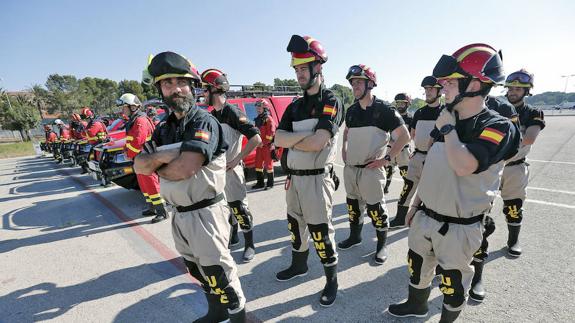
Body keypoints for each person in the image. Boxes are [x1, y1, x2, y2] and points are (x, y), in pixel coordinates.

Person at [387, 43, 520, 322]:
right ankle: (416, 305)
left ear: (476, 83)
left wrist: (448, 129)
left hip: (460, 227)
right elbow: (432, 167)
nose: (443, 85)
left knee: (452, 283)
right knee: (418, 266)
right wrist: (416, 203)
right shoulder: (446, 118)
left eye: (451, 81)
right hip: (426, 216)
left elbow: (464, 165)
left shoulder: (497, 126)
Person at [134, 51, 246, 322]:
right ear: (160, 90)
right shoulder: (163, 128)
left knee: (220, 275)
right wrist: (167, 156)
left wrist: (157, 161)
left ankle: (236, 316)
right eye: (167, 84)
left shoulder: (203, 121)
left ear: (192, 86)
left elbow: (186, 168)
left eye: (181, 82)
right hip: (180, 215)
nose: (175, 89)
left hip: (206, 214)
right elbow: (139, 166)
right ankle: (216, 312)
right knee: (197, 270)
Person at [274, 35, 344, 307]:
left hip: (317, 180)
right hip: (294, 179)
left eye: (304, 69)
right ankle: (299, 265)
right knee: (295, 227)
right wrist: (306, 140)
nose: (299, 74)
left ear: (318, 68)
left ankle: (331, 281)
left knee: (320, 231)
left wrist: (297, 140)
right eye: (296, 70)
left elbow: (318, 143)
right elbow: (278, 139)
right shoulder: (294, 106)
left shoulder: (332, 100)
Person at [338, 64, 410, 264]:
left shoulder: (384, 110)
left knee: (376, 209)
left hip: (371, 171)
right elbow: (346, 131)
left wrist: (386, 159)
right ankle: (355, 237)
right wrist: (343, 149)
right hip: (351, 169)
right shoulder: (351, 110)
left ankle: (381, 245)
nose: (355, 86)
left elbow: (403, 136)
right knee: (353, 206)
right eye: (353, 83)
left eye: (359, 82)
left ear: (370, 84)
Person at [201, 68, 262, 263]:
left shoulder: (232, 112)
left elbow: (256, 138)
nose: (202, 94)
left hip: (232, 172)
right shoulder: (211, 115)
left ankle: (250, 245)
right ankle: (233, 236)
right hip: (217, 172)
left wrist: (237, 159)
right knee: (224, 208)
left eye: (204, 90)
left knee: (239, 208)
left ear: (215, 90)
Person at [500, 69, 544, 257]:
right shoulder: (496, 108)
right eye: (511, 87)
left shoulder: (533, 113)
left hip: (514, 167)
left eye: (518, 88)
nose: (513, 91)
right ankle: (477, 246)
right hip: (491, 166)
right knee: (478, 207)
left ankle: (513, 240)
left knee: (513, 206)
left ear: (527, 91)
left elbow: (529, 138)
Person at [390, 77, 442, 228]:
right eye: (426, 89)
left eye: (431, 88)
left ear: (439, 91)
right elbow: (412, 135)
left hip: (436, 159)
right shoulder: (419, 113)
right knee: (407, 188)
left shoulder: (446, 113)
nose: (427, 92)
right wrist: (416, 151)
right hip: (418, 157)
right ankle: (400, 219)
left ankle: (428, 223)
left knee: (432, 193)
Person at [116, 93, 170, 224]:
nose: (122, 110)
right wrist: (126, 150)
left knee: (151, 184)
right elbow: (131, 141)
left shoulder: (140, 120)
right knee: (144, 185)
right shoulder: (134, 120)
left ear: (133, 107)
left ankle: (162, 211)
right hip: (139, 158)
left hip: (145, 158)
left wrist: (129, 154)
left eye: (124, 107)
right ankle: (152, 207)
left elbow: (137, 142)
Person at [384, 93, 413, 194]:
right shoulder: (393, 116)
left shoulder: (410, 118)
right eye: (398, 103)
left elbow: (412, 135)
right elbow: (387, 132)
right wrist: (390, 142)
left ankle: (407, 192)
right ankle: (384, 189)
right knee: (387, 170)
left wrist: (403, 142)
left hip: (404, 150)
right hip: (390, 147)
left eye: (402, 103)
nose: (400, 105)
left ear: (408, 104)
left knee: (405, 172)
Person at [252, 98, 277, 190]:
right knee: (258, 165)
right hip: (259, 146)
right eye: (257, 108)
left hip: (267, 146)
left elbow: (270, 134)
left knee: (268, 165)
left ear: (265, 109)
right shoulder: (258, 119)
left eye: (260, 108)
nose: (257, 109)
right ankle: (260, 183)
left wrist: (263, 143)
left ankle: (270, 184)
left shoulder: (269, 119)